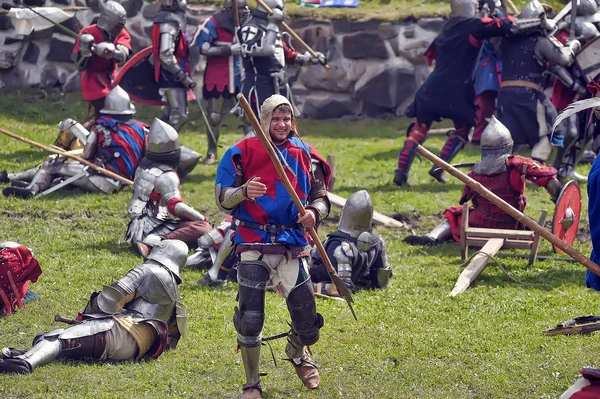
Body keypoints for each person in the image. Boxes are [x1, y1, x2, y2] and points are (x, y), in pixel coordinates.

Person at [215, 94, 331, 398]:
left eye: (287, 118)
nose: (282, 124)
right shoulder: (240, 152)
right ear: (264, 120)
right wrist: (243, 191)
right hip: (253, 241)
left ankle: (296, 352)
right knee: (250, 318)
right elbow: (222, 199)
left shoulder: (304, 153)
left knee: (308, 322)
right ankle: (252, 382)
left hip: (291, 241)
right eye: (276, 119)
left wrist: (314, 212)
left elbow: (321, 197)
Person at [0, 238, 188, 374]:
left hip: (123, 332)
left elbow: (110, 299)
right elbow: (173, 335)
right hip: (140, 347)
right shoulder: (174, 291)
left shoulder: (148, 270)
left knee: (56, 338)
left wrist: (89, 314)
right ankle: (27, 354)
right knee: (49, 340)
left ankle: (25, 362)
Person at [394, 0, 523, 186]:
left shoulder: (449, 26)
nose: (478, 7)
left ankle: (401, 173)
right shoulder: (474, 25)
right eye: (475, 5)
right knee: (462, 130)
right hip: (457, 91)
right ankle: (439, 168)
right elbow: (504, 26)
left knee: (419, 128)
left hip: (432, 87)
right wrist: (513, 18)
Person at [403, 117, 562, 246]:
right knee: (457, 213)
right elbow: (550, 181)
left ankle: (434, 237)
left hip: (480, 223)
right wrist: (559, 202)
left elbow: (466, 199)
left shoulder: (475, 173)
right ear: (508, 146)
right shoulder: (519, 164)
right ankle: (432, 238)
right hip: (511, 223)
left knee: (455, 213)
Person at [2, 86, 146, 199]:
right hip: (122, 183)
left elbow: (86, 155)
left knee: (52, 165)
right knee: (63, 171)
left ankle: (32, 190)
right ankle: (18, 179)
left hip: (101, 179)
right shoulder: (141, 129)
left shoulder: (102, 127)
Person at [497, 0, 583, 164]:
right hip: (529, 97)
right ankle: (538, 172)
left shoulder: (507, 40)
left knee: (509, 139)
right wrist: (572, 45)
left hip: (505, 96)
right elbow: (563, 59)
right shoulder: (541, 42)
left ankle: (502, 172)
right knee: (551, 134)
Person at [126, 118, 212, 257]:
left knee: (192, 224)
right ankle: (154, 244)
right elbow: (175, 206)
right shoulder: (167, 175)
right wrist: (203, 218)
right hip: (154, 228)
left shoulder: (143, 166)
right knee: (203, 229)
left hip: (137, 226)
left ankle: (151, 241)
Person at [238, 0, 326, 119]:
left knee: (282, 126)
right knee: (261, 127)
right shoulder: (252, 27)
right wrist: (273, 25)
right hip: (259, 85)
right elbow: (264, 50)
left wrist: (310, 58)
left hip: (278, 83)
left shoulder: (271, 25)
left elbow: (284, 54)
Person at [193, 0, 249, 163]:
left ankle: (253, 151)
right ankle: (212, 152)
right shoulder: (212, 23)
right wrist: (228, 49)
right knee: (214, 116)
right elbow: (203, 48)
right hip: (217, 75)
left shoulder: (249, 24)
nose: (243, 12)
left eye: (244, 8)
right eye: (239, 9)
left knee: (247, 115)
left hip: (240, 76)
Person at [310, 190, 392, 295]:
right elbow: (382, 280)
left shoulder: (339, 246)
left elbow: (342, 288)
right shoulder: (377, 241)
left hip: (330, 284)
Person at [72, 1, 131, 121]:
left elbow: (124, 55)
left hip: (113, 81)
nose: (118, 28)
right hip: (93, 81)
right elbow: (79, 64)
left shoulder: (121, 33)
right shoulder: (88, 32)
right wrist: (86, 51)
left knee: (121, 112)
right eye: (117, 25)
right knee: (103, 115)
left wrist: (111, 52)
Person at [152, 0, 196, 130]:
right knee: (178, 116)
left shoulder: (167, 20)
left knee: (174, 113)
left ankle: (158, 139)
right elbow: (165, 54)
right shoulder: (168, 24)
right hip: (171, 75)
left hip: (171, 74)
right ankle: (161, 145)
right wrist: (182, 76)